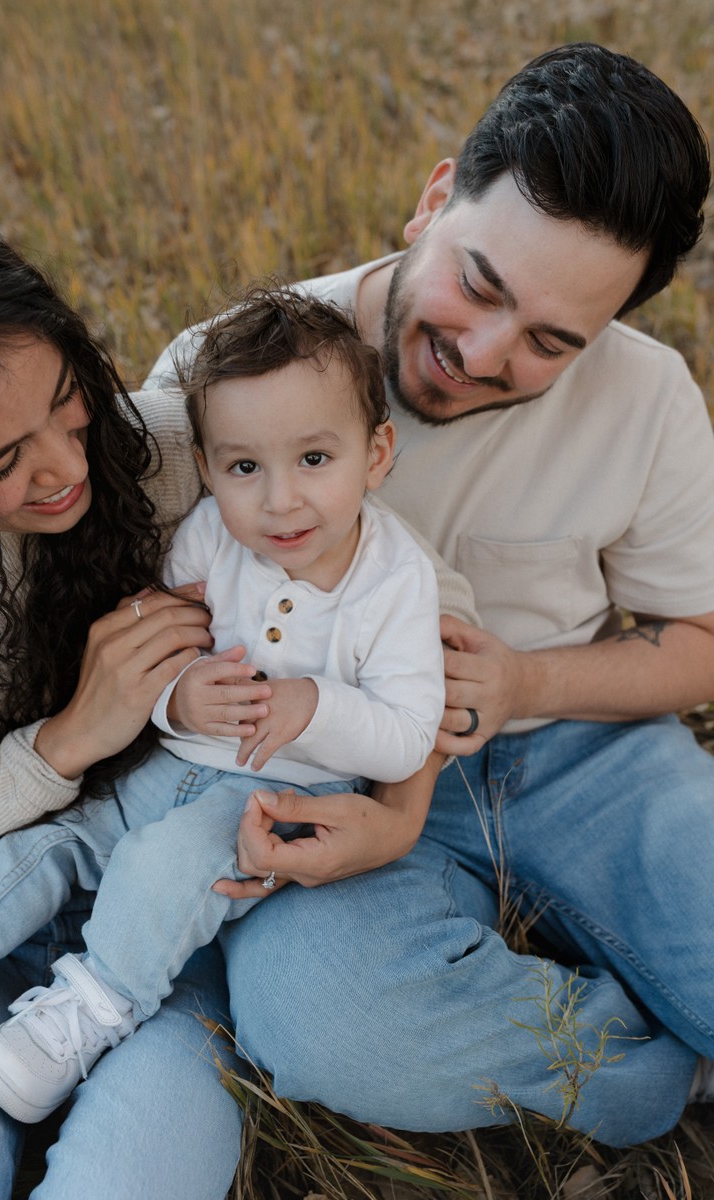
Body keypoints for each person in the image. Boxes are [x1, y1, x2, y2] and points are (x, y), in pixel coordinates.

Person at [146, 43, 714, 1150]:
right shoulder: (232, 373)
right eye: (480, 284)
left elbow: (697, 635)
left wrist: (528, 679)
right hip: (322, 768)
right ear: (432, 199)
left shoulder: (646, 395)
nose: (479, 350)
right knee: (327, 1027)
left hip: (577, 753)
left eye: (550, 341)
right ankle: (662, 1070)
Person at [0, 287, 460, 1125]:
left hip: (267, 796)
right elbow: (165, 665)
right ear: (210, 467)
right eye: (245, 468)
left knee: (166, 871)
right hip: (167, 765)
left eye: (315, 460)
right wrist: (178, 699)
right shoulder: (212, 530)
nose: (278, 501)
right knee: (65, 840)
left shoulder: (394, 580)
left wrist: (319, 710)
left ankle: (92, 1007)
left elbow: (407, 733)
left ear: (378, 454)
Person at [0, 212, 252, 1200]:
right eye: (2, 461)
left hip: (167, 939)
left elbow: (346, 513)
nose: (65, 468)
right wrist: (62, 745)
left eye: (69, 406)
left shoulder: (153, 449)